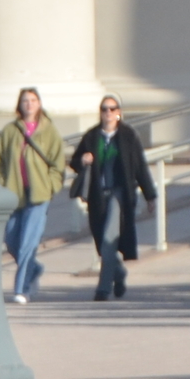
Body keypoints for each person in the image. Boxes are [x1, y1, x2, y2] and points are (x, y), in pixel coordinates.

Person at [67, 96, 156, 302]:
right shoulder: (91, 136)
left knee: (109, 239)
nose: (107, 113)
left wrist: (150, 195)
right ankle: (119, 272)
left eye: (112, 109)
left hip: (119, 194)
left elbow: (140, 166)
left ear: (119, 113)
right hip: (97, 195)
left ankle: (103, 288)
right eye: (104, 109)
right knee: (101, 242)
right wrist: (82, 160)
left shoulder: (127, 136)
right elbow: (74, 161)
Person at [0, 88, 65, 303]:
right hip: (15, 194)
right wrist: (3, 184)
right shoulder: (10, 131)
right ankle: (35, 268)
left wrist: (50, 186)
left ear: (39, 104)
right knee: (12, 241)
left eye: (33, 100)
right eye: (25, 100)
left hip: (39, 195)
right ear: (19, 105)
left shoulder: (49, 131)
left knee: (27, 244)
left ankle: (22, 289)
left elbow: (57, 164)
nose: (29, 104)